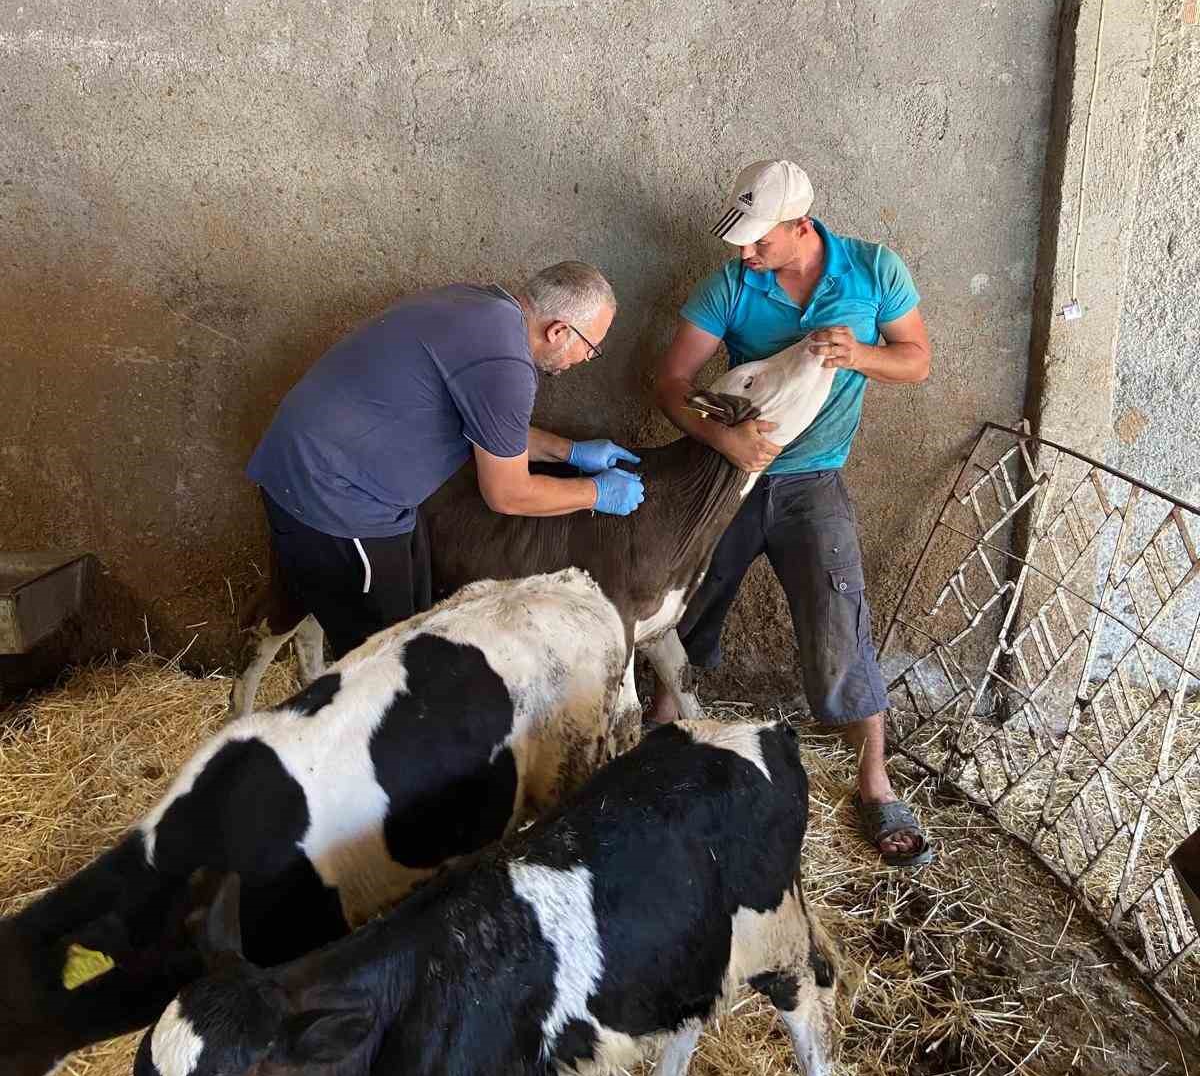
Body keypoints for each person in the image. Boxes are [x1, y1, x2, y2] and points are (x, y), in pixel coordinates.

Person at [653, 160, 934, 868]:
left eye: (759, 243)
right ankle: (659, 747)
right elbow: (672, 382)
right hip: (726, 476)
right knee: (678, 607)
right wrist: (724, 438)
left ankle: (874, 779)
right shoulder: (729, 284)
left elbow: (918, 362)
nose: (745, 256)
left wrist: (862, 354)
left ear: (801, 226)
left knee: (840, 613)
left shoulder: (873, 271)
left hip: (815, 480)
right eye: (741, 244)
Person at [247, 262, 643, 659]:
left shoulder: (484, 306)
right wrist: (594, 492)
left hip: (336, 469)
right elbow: (508, 493)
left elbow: (493, 431)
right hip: (333, 494)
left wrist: (570, 451)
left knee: (412, 614)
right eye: (590, 348)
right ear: (558, 331)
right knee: (384, 663)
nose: (585, 358)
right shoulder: (506, 367)